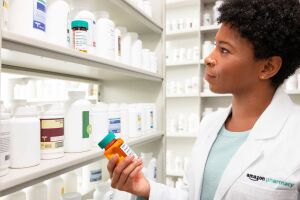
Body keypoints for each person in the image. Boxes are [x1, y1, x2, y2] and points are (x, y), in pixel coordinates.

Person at [107, 0, 300, 199]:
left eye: (224, 50)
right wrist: (145, 188)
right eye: (215, 46)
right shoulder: (211, 124)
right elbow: (191, 195)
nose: (208, 58)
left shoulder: (295, 136)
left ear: (267, 67)